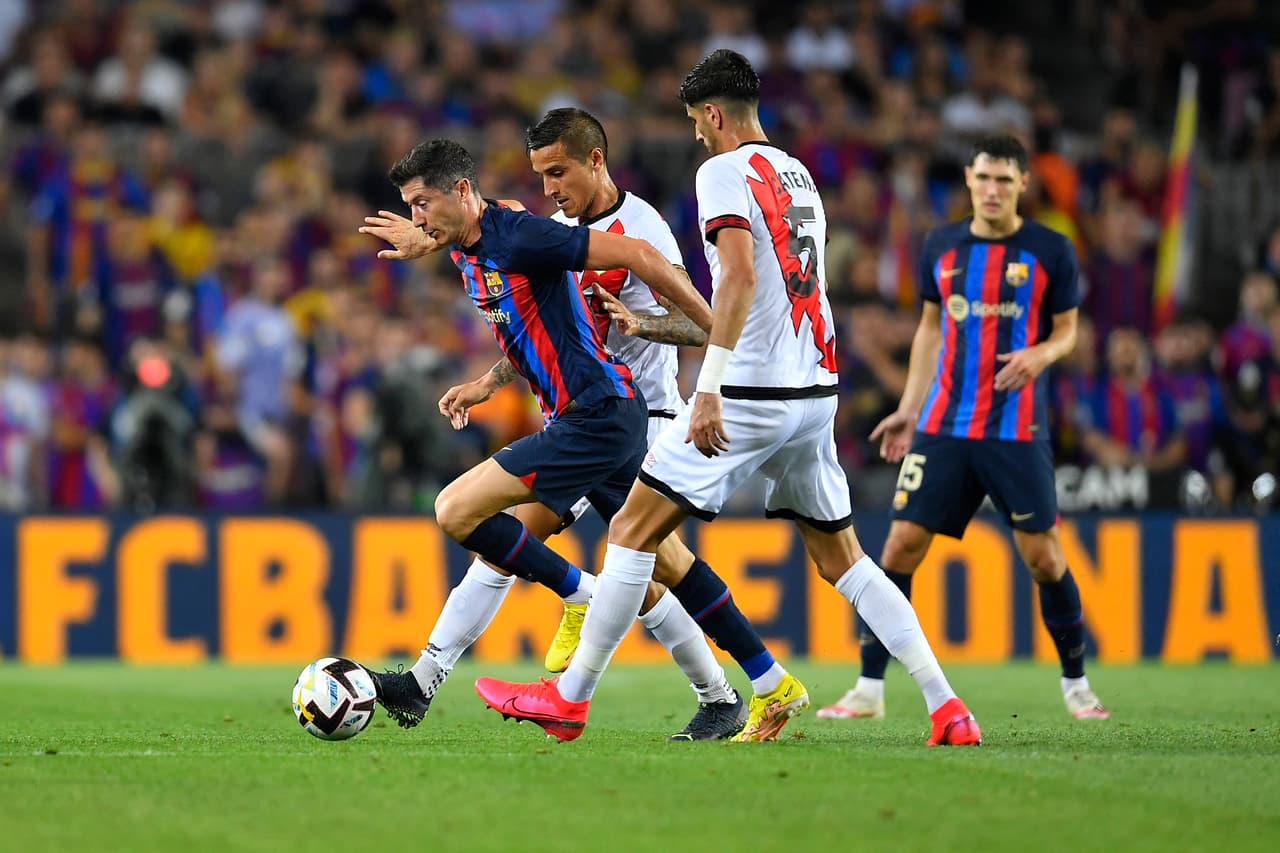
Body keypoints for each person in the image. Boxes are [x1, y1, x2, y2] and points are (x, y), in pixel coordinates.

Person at [474, 49, 981, 747]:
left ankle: (570, 697)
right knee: (844, 560)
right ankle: (947, 706)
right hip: (815, 386)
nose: (696, 135)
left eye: (695, 121)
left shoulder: (721, 170)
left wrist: (708, 385)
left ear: (713, 114)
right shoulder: (798, 174)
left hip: (750, 387)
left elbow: (737, 277)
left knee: (632, 531)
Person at [356, 136, 790, 741]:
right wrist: (483, 377)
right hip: (595, 415)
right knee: (659, 565)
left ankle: (560, 608)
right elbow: (518, 293)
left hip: (615, 413)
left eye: (422, 204)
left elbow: (641, 259)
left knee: (465, 515)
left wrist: (720, 337)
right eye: (411, 208)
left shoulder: (573, 232)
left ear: (594, 161)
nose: (549, 188)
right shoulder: (493, 234)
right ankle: (757, 684)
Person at [817, 134, 1110, 723]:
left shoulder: (1051, 249)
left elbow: (1068, 331)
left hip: (1015, 429)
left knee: (1044, 558)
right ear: (970, 182)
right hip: (944, 424)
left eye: (1004, 179)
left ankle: (1076, 683)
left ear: (1023, 183)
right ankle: (869, 688)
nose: (992, 190)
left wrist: (1040, 355)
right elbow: (930, 330)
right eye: (983, 178)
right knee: (900, 546)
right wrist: (909, 406)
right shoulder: (942, 245)